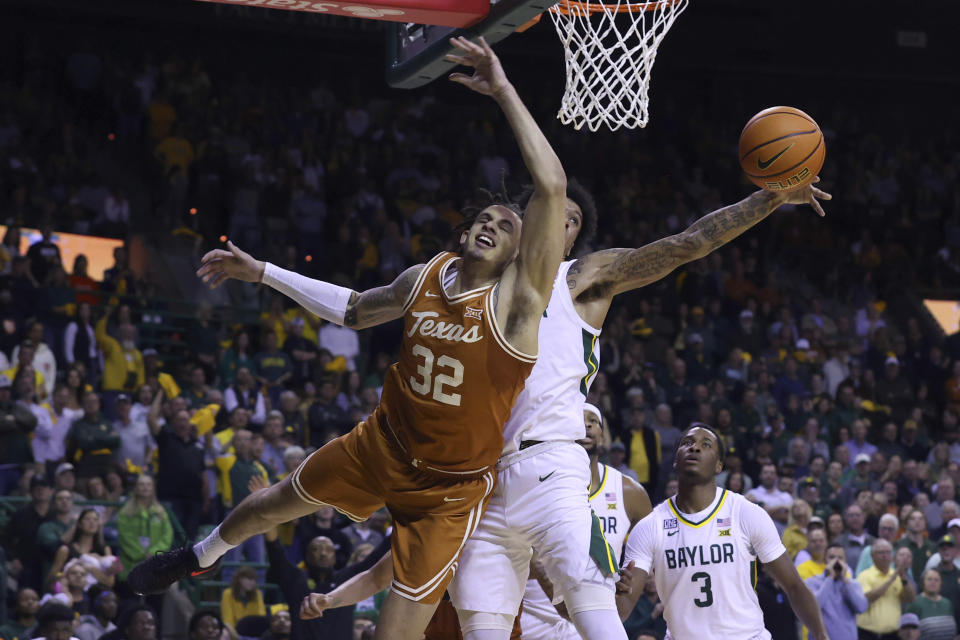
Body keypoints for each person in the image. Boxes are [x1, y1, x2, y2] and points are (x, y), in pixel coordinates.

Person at [129, 36, 570, 640]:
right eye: (485, 219)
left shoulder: (519, 304)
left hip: (445, 491)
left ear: (523, 254)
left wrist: (501, 89)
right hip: (381, 443)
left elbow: (551, 189)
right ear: (466, 229)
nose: (492, 226)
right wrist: (264, 273)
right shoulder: (426, 276)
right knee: (268, 506)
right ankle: (199, 555)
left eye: (506, 227)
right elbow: (356, 309)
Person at [449, 84, 830, 640]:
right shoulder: (470, 283)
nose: (563, 222)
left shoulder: (580, 279)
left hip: (553, 470)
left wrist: (768, 198)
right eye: (556, 212)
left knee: (593, 611)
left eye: (575, 220)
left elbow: (687, 244)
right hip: (483, 474)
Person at [617, 425, 828, 640]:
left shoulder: (745, 513)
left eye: (705, 444)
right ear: (675, 460)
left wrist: (821, 634)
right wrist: (618, 591)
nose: (695, 448)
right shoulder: (650, 526)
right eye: (687, 443)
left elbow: (793, 585)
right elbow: (622, 609)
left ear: (719, 466)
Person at [519, 404, 651, 640]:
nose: (587, 424)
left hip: (595, 613)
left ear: (603, 433)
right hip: (535, 615)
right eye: (579, 418)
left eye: (594, 421)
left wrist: (624, 585)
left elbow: (646, 552)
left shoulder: (629, 492)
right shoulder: (534, 479)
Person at [804, 543, 868, 640]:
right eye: (832, 557)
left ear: (845, 562)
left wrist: (845, 581)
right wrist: (830, 578)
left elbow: (861, 608)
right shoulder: (812, 582)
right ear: (825, 560)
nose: (836, 562)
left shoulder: (853, 584)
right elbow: (814, 607)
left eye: (840, 558)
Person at [116, 475, 174, 580]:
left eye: (148, 484)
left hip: (156, 563)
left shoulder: (161, 512)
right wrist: (142, 554)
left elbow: (167, 535)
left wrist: (154, 552)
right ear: (136, 488)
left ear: (153, 488)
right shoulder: (125, 512)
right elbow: (124, 536)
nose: (145, 487)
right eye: (141, 484)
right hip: (131, 564)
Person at [856, 538, 915, 640]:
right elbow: (867, 598)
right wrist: (891, 580)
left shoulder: (897, 576)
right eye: (881, 552)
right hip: (867, 634)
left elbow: (910, 599)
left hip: (893, 634)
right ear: (872, 555)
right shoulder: (864, 576)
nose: (885, 555)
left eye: (888, 552)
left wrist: (904, 579)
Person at [905, 568, 956, 640]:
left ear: (941, 583)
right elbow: (907, 634)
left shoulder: (947, 603)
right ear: (923, 582)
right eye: (929, 579)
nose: (933, 582)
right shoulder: (914, 603)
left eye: (936, 580)